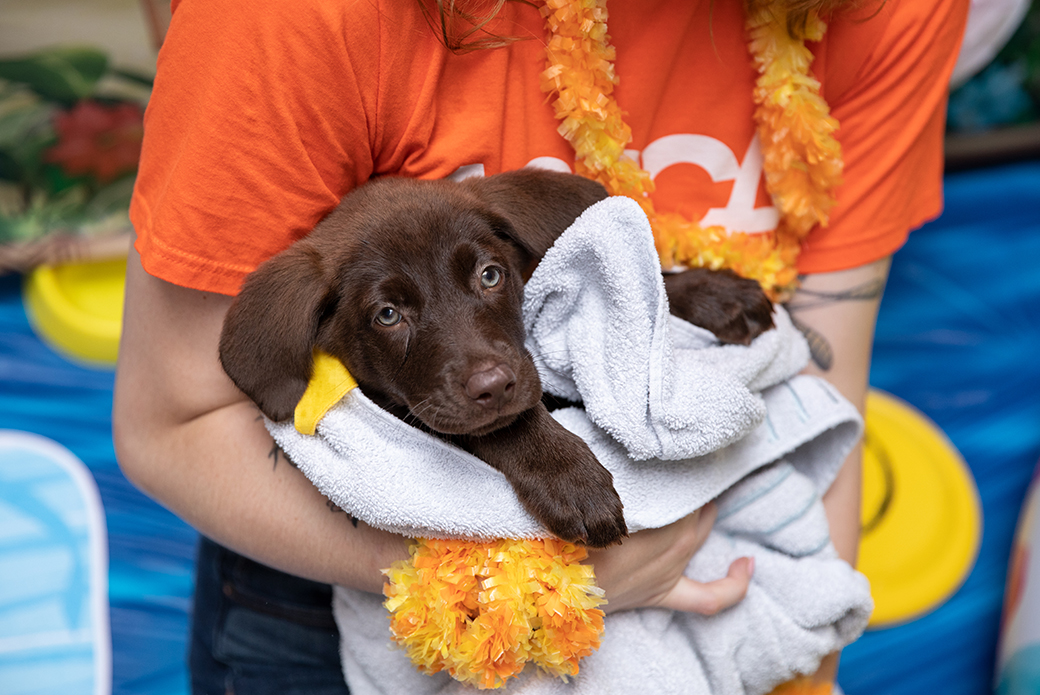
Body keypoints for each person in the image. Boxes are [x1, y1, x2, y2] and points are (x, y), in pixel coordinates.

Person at [111, 0, 969, 692]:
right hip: (349, 587)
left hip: (719, 565)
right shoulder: (296, 15)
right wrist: (523, 573)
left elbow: (819, 377)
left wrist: (802, 661)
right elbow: (175, 423)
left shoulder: (879, 8)